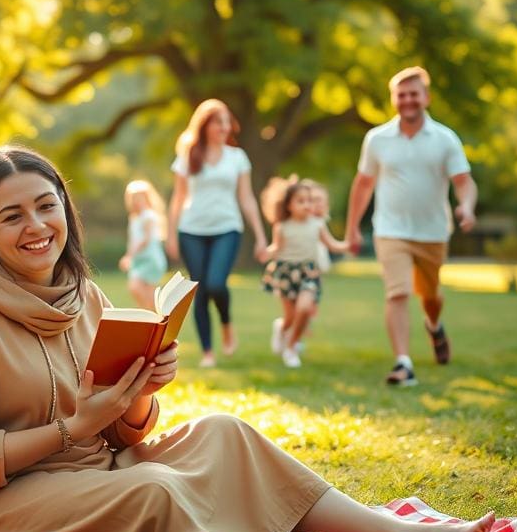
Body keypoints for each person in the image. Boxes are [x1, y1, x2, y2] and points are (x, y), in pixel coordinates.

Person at [0, 144, 496, 532]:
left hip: (85, 473)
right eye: (12, 215)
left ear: (64, 210)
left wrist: (139, 395)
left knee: (224, 433)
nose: (37, 226)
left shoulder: (85, 295)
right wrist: (71, 427)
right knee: (156, 488)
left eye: (46, 205)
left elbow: (121, 437)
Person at [344, 67, 477, 387]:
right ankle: (403, 363)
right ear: (393, 99)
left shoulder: (445, 138)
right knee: (398, 292)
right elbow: (363, 185)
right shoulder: (376, 139)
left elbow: (464, 181)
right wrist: (351, 229)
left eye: (413, 94)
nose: (407, 100)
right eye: (401, 95)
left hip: (433, 231)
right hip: (390, 230)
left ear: (426, 97)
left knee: (430, 296)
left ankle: (434, 325)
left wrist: (467, 206)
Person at [166, 99, 268, 367]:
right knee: (199, 289)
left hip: (227, 228)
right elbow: (178, 197)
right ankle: (208, 352)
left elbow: (246, 198)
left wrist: (260, 236)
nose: (223, 127)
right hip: (191, 230)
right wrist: (171, 234)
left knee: (216, 284)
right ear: (205, 125)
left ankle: (226, 322)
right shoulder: (188, 155)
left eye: (226, 121)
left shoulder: (237, 157)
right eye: (217, 121)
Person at [261, 177, 350, 368]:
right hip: (286, 272)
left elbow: (332, 244)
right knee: (291, 317)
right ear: (289, 205)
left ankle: (292, 347)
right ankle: (281, 328)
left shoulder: (317, 224)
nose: (306, 205)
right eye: (300, 201)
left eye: (309, 200)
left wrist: (348, 245)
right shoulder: (282, 226)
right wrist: (265, 253)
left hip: (308, 272)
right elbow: (276, 248)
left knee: (304, 309)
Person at [119, 179, 168, 310]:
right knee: (137, 289)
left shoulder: (149, 216)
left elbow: (145, 240)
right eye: (134, 198)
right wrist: (130, 255)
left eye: (140, 198)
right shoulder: (135, 217)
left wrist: (129, 255)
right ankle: (148, 315)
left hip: (150, 259)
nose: (137, 201)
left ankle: (153, 317)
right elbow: (133, 240)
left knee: (141, 289)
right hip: (139, 260)